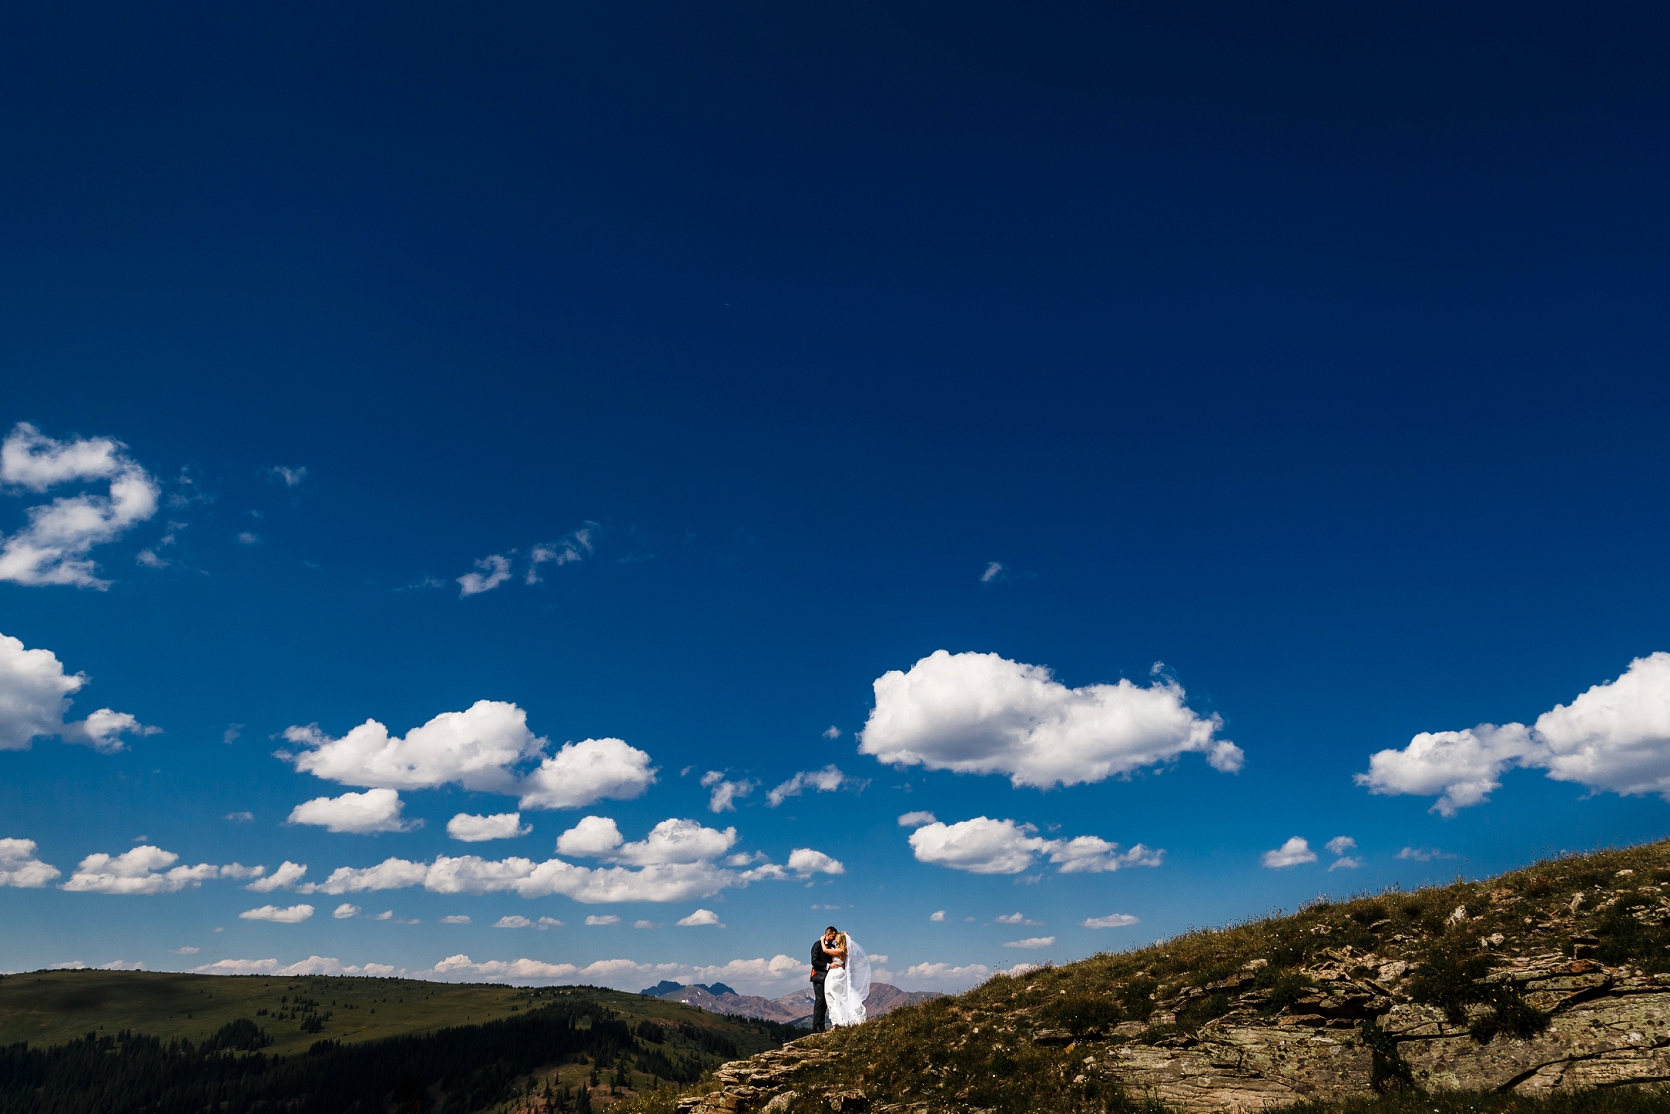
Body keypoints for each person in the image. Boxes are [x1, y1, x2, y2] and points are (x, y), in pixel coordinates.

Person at [819, 930, 870, 1028]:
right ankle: (839, 1020)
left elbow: (825, 950)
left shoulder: (840, 951)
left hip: (836, 974)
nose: (835, 941)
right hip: (835, 973)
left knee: (836, 997)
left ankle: (840, 1021)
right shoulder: (843, 951)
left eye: (837, 940)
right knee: (835, 996)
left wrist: (822, 940)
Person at [809, 925, 838, 1032]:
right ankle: (816, 1027)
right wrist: (828, 965)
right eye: (833, 936)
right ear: (828, 934)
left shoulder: (833, 947)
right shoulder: (817, 945)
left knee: (826, 1001)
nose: (834, 939)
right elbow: (814, 961)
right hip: (819, 976)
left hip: (830, 978)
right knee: (820, 1000)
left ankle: (821, 1027)